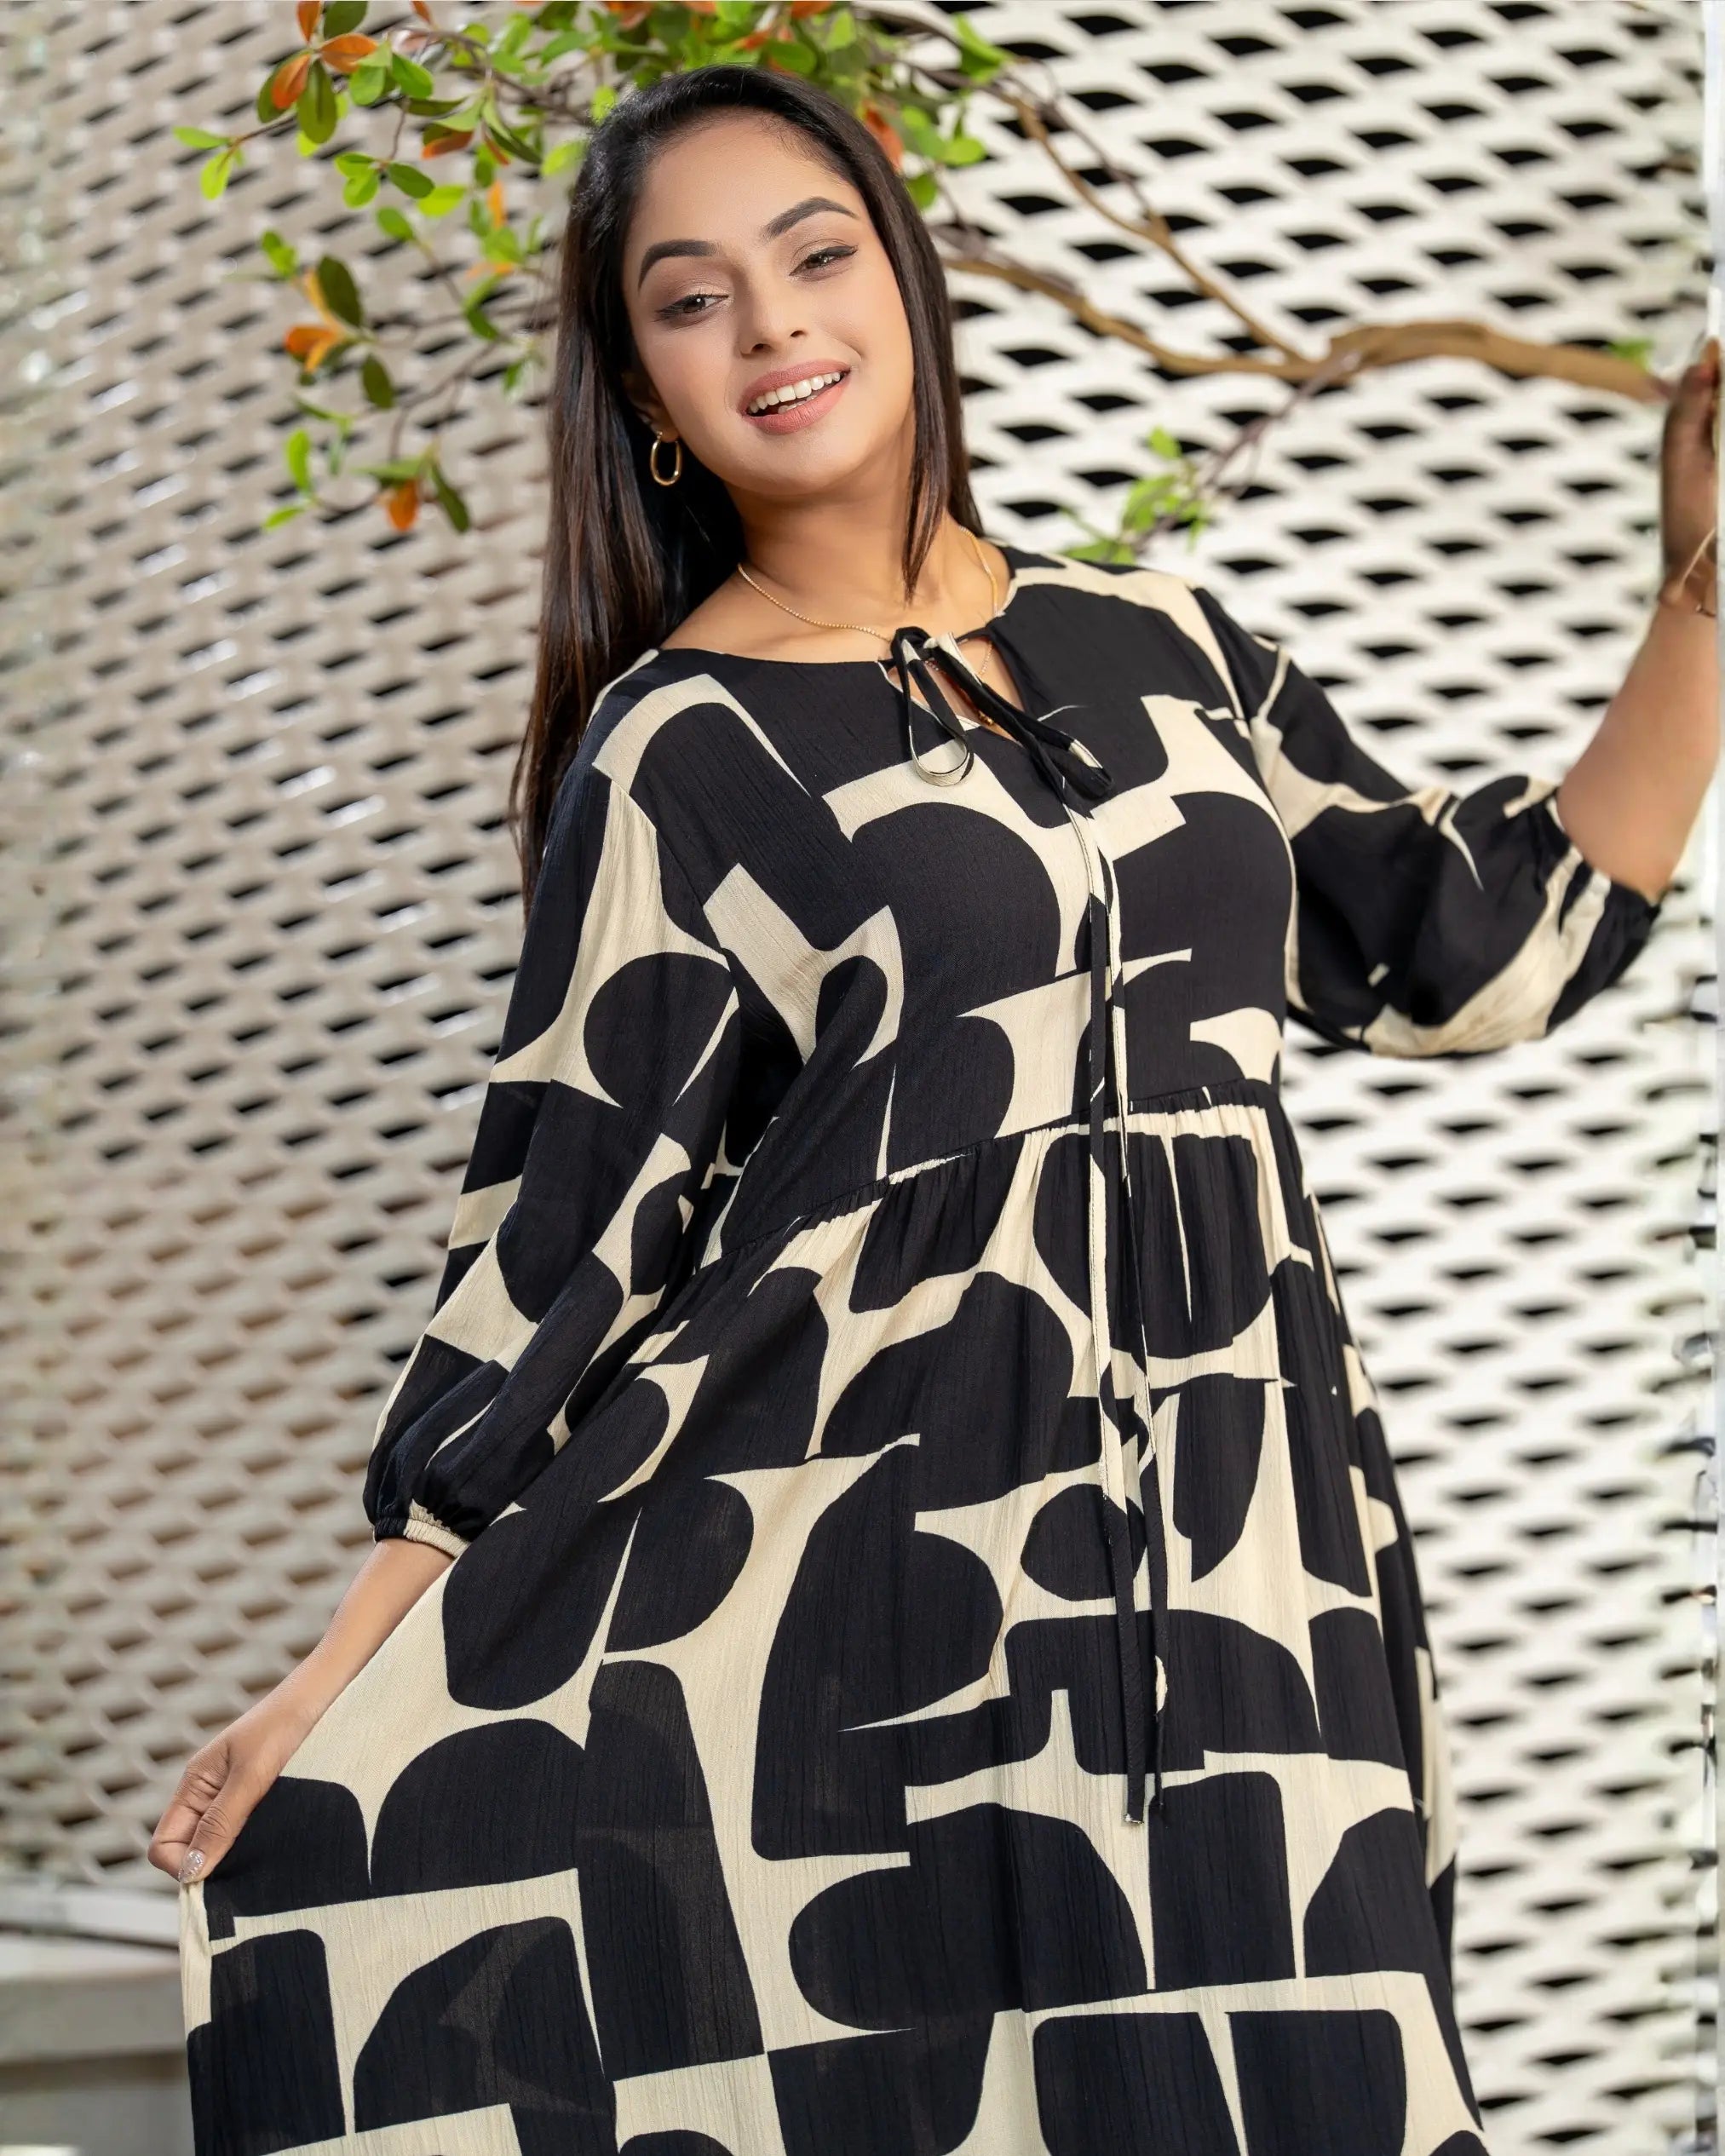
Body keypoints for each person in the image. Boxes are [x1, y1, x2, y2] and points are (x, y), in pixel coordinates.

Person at [152, 61, 1717, 2156]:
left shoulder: (1164, 647)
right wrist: (341, 1671)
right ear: (643, 392)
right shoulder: (676, 749)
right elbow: (559, 1241)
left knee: (1298, 2072)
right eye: (691, 299)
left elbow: (1476, 944)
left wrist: (1697, 596)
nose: (771, 325)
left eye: (813, 255)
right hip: (900, 1578)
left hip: (1251, 1541)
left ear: (901, 277)